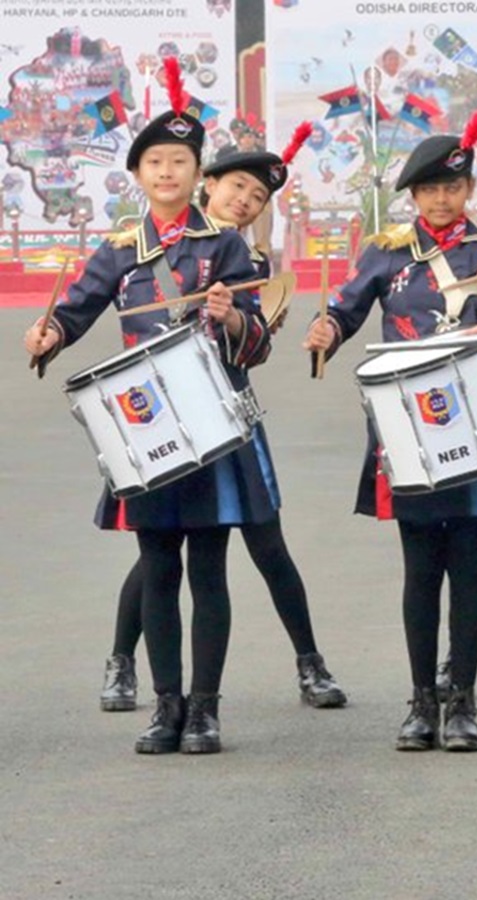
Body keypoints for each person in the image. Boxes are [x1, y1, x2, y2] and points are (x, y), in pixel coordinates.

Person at [25, 59, 271, 754]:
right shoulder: (117, 250)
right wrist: (47, 335)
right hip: (147, 427)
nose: (167, 172)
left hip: (217, 425)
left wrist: (229, 319)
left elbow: (255, 342)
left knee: (210, 569)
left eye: (180, 161)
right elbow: (73, 311)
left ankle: (206, 709)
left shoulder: (224, 246)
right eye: (155, 161)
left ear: (200, 175)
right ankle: (165, 707)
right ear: (138, 175)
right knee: (160, 566)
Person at [98, 122, 349, 715]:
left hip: (228, 422)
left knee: (267, 544)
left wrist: (242, 321)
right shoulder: (138, 244)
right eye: (238, 186)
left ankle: (309, 662)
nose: (245, 200)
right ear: (205, 183)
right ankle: (122, 660)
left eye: (258, 198)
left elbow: (253, 347)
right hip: (157, 419)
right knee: (156, 552)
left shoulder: (246, 260)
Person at [302, 103, 477, 752]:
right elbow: (344, 310)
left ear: (468, 189)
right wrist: (326, 333)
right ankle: (422, 699)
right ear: (415, 195)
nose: (441, 199)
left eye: (452, 187)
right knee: (421, 568)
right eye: (430, 189)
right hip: (409, 433)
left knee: (472, 568)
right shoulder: (387, 253)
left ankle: (464, 702)